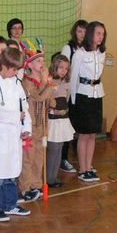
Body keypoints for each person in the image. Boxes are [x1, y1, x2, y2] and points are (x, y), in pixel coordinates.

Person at [0, 47, 32, 222]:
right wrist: (16, 116)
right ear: (3, 66)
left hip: (14, 134)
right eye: (13, 69)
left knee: (12, 172)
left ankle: (10, 204)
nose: (16, 73)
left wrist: (26, 128)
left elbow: (24, 107)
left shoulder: (16, 83)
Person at [69, 21, 107, 183]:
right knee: (84, 135)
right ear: (90, 34)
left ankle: (89, 167)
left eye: (103, 34)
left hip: (97, 95)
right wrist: (72, 101)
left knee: (92, 134)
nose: (100, 37)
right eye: (98, 33)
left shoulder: (101, 53)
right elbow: (73, 78)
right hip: (83, 95)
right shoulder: (80, 53)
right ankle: (82, 169)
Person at [19, 52, 54, 202]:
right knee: (28, 157)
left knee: (39, 156)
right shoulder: (27, 82)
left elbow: (51, 100)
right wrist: (45, 82)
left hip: (42, 125)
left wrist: (47, 85)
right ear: (30, 65)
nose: (42, 63)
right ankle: (25, 187)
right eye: (38, 61)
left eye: (43, 60)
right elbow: (39, 96)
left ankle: (36, 184)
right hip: (31, 125)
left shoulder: (44, 81)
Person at [58, 20, 87, 174]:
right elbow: (62, 71)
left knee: (78, 127)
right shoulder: (68, 48)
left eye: (85, 31)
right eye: (79, 31)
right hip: (69, 94)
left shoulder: (89, 50)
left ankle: (82, 160)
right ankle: (63, 159)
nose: (82, 34)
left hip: (83, 94)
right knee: (66, 128)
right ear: (74, 32)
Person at [46, 54, 75, 188]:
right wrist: (53, 111)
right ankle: (48, 178)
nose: (64, 71)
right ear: (55, 67)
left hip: (62, 119)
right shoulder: (49, 81)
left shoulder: (67, 83)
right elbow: (46, 100)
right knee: (52, 149)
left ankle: (54, 177)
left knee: (59, 149)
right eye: (61, 67)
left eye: (66, 68)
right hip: (52, 119)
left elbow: (66, 98)